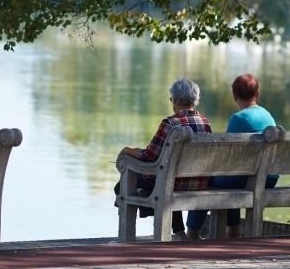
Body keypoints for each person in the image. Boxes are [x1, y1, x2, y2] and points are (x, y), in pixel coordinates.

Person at [114, 77, 212, 241]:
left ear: (175, 99)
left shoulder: (170, 123)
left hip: (171, 182)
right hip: (198, 182)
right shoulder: (204, 122)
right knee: (169, 177)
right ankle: (179, 234)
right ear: (194, 101)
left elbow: (149, 156)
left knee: (123, 185)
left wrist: (127, 150)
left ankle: (126, 238)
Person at [185, 73, 279, 239]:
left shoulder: (238, 118)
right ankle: (233, 230)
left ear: (235, 96)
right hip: (270, 177)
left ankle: (192, 233)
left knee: (204, 180)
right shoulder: (268, 115)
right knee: (229, 179)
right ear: (257, 95)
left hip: (250, 177)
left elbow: (225, 154)